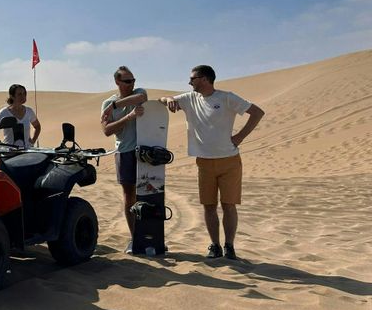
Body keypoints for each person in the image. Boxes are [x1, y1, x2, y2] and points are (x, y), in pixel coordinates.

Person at [159, 65, 264, 260]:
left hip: (229, 160)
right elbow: (162, 99)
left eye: (193, 78)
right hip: (204, 162)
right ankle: (214, 245)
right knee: (208, 205)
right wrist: (169, 100)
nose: (189, 82)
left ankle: (229, 246)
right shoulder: (190, 99)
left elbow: (257, 112)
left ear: (205, 79)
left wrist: (240, 136)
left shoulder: (226, 97)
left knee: (229, 205)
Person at [100, 66, 147, 254]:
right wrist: (128, 116)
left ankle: (150, 236)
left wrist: (116, 107)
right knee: (130, 196)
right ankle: (135, 238)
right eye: (127, 81)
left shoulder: (138, 93)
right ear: (117, 82)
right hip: (125, 152)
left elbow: (141, 99)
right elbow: (106, 130)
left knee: (149, 194)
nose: (132, 84)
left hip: (144, 151)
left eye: (133, 80)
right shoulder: (107, 103)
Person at [0, 84, 41, 149]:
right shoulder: (4, 112)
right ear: (12, 96)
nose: (23, 96)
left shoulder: (29, 111)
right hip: (9, 152)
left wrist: (33, 141)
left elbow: (37, 127)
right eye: (19, 94)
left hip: (26, 151)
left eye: (24, 93)